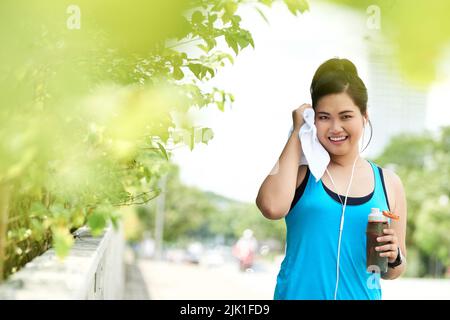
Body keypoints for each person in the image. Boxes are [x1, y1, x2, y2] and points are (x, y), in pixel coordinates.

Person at [255, 58, 407, 300]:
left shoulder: (389, 183)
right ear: (312, 120)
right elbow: (271, 207)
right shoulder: (301, 173)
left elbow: (394, 271)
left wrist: (394, 255)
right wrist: (297, 132)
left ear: (364, 116)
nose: (335, 128)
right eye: (324, 117)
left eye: (346, 116)